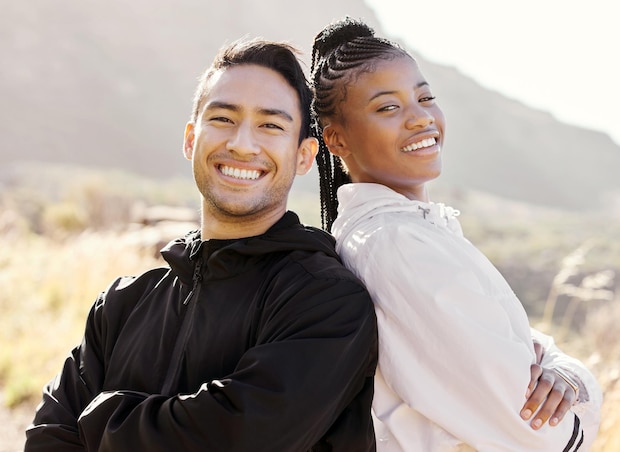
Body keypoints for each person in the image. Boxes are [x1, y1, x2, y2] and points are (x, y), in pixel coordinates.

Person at [25, 38, 379, 451]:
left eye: (271, 125)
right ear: (192, 138)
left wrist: (98, 419)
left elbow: (236, 441)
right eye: (224, 119)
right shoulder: (121, 306)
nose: (242, 144)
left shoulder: (328, 301)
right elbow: (47, 440)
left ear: (303, 156)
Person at [310, 17, 602, 452]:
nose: (420, 118)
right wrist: (586, 398)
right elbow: (544, 435)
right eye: (388, 107)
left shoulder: (409, 233)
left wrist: (565, 372)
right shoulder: (395, 245)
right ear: (335, 139)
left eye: (425, 97)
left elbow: (534, 350)